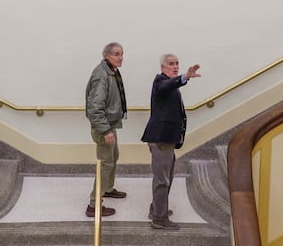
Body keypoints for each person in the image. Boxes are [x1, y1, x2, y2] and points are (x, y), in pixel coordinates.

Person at [141, 54, 201, 230]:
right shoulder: (160, 82)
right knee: (162, 180)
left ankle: (157, 209)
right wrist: (185, 77)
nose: (175, 66)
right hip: (160, 139)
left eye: (177, 64)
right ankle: (159, 219)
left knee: (167, 177)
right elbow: (166, 87)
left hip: (167, 139)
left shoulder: (169, 83)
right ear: (162, 67)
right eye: (171, 64)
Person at [85, 42, 128, 217]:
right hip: (104, 127)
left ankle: (108, 189)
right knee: (105, 163)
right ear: (107, 56)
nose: (121, 57)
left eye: (122, 53)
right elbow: (94, 108)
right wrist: (105, 131)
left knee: (113, 157)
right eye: (117, 54)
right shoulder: (101, 74)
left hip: (109, 124)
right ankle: (94, 204)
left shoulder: (111, 71)